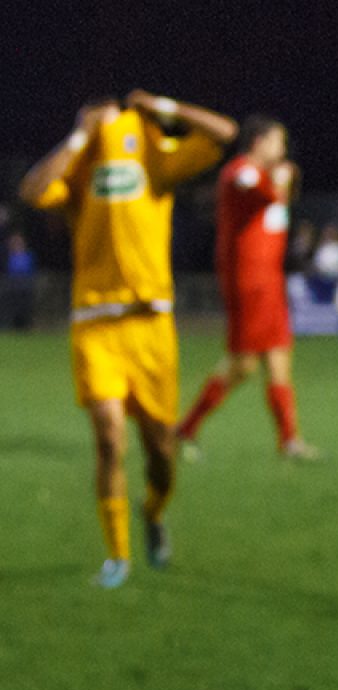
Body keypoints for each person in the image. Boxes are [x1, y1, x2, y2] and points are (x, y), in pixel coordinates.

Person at [18, 91, 236, 589]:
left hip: (151, 326)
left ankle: (153, 510)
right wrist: (79, 135)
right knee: (109, 439)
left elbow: (224, 133)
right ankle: (117, 556)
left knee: (161, 453)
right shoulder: (79, 162)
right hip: (96, 324)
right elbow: (32, 190)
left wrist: (163, 106)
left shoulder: (152, 153)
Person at [177, 115, 320, 461]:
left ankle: (289, 441)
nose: (282, 149)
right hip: (248, 281)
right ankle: (183, 431)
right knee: (242, 364)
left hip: (270, 280)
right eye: (277, 141)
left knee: (279, 357)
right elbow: (254, 190)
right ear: (259, 142)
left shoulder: (267, 175)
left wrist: (282, 183)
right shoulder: (240, 171)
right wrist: (279, 183)